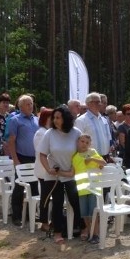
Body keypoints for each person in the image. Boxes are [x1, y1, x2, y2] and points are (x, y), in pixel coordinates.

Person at [38, 105, 83, 244]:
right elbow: (42, 154)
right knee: (57, 203)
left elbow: (81, 153)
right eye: (54, 118)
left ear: (66, 118)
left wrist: (75, 169)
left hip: (71, 174)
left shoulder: (76, 133)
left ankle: (80, 227)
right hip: (54, 175)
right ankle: (57, 232)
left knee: (75, 200)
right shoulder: (49, 133)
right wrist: (48, 169)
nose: (55, 120)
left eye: (58, 117)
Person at [7, 95, 39, 226]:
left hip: (35, 157)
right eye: (27, 104)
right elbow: (11, 141)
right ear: (20, 107)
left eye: (31, 103)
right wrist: (15, 159)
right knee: (19, 187)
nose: (30, 106)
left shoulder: (36, 119)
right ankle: (16, 215)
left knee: (34, 186)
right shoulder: (15, 120)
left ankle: (31, 214)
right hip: (22, 157)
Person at [71, 133, 106, 244]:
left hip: (93, 188)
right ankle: (91, 232)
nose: (84, 144)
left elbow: (103, 163)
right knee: (85, 213)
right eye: (82, 141)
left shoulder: (92, 153)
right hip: (81, 189)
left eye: (87, 142)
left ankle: (95, 234)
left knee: (93, 213)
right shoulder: (75, 157)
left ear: (90, 144)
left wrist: (92, 159)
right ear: (77, 142)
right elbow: (72, 172)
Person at [33, 108, 54, 231]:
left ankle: (51, 220)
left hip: (50, 170)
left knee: (51, 196)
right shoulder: (41, 132)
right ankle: (44, 222)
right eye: (52, 118)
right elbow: (42, 151)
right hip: (43, 170)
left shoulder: (49, 132)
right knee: (45, 197)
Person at [75, 93, 114, 159]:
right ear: (88, 104)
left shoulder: (104, 120)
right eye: (96, 102)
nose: (99, 104)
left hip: (105, 158)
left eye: (100, 102)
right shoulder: (81, 120)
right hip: (90, 159)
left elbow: (108, 138)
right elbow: (77, 142)